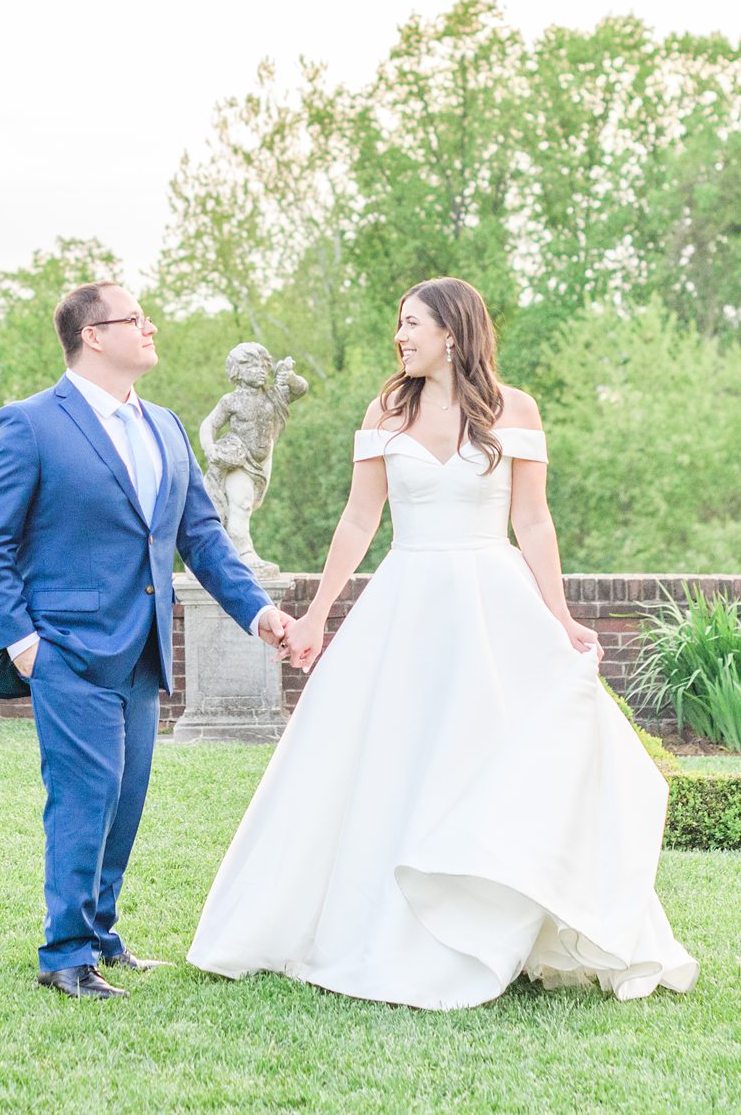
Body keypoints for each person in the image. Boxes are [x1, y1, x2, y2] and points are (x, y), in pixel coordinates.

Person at [187, 276, 696, 1009]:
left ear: (453, 332)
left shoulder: (515, 409)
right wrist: (318, 614)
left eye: (413, 323)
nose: (401, 336)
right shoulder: (385, 409)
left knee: (493, 750)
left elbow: (535, 522)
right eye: (400, 324)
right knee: (394, 755)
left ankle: (499, 915)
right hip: (407, 599)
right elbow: (358, 522)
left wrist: (560, 613)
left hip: (493, 603)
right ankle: (385, 923)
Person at [0, 281, 295, 1001]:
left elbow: (199, 537)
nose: (150, 327)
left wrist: (258, 610)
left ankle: (101, 931)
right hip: (65, 650)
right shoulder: (28, 424)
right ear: (92, 336)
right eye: (134, 319)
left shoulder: (168, 426)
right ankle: (64, 953)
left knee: (125, 798)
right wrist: (23, 643)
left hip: (142, 652)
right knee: (83, 797)